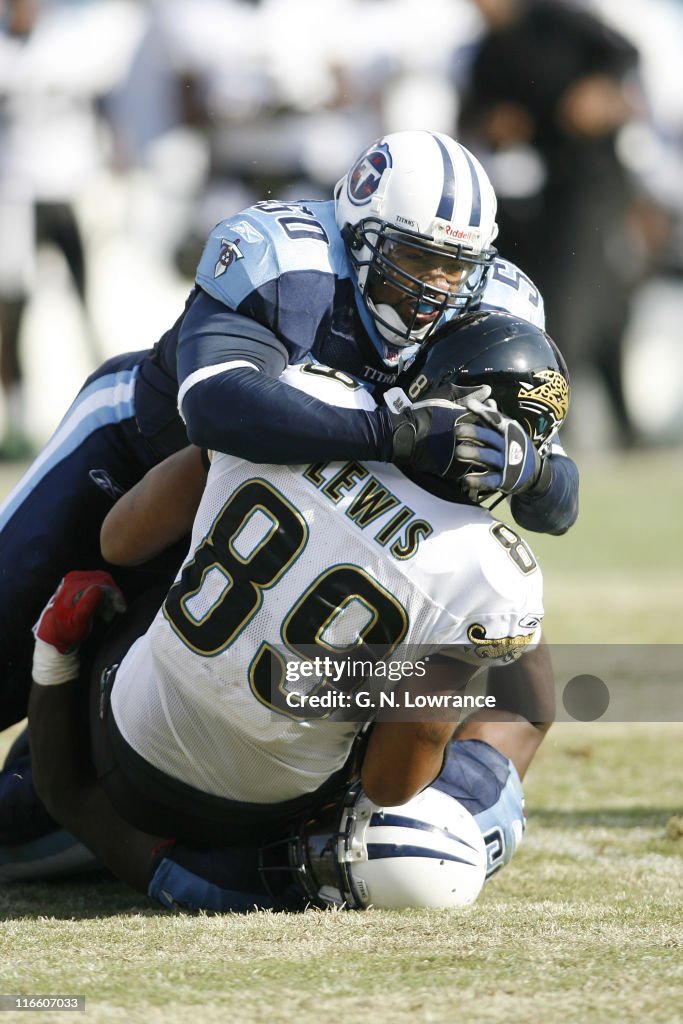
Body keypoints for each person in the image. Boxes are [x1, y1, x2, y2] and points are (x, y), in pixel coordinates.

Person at [0, 128, 578, 737]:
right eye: (414, 257)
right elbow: (216, 407)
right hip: (137, 453)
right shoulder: (285, 258)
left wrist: (531, 470)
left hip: (276, 524)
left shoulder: (496, 309)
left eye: (455, 266)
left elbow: (559, 505)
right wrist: (397, 433)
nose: (436, 286)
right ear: (359, 235)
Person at [2, 310, 566, 911]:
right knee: (502, 695)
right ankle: (431, 841)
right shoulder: (494, 574)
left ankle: (56, 685)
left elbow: (121, 540)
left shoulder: (305, 398)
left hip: (123, 735)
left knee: (185, 555)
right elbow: (390, 782)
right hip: (269, 814)